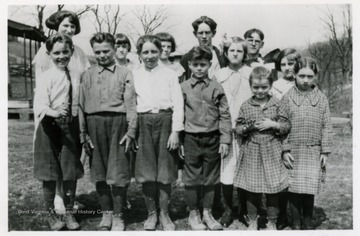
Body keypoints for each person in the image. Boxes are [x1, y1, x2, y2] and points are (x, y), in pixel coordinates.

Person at [32, 10, 90, 214]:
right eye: (65, 25)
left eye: (73, 26)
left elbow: (84, 79)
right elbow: (42, 86)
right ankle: (57, 198)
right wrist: (51, 111)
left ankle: (68, 199)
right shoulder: (45, 50)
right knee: (53, 159)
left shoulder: (79, 52)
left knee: (71, 159)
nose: (69, 29)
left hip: (73, 114)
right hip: (52, 112)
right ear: (57, 26)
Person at [78, 32, 137, 231]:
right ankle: (107, 214)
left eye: (106, 51)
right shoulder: (86, 75)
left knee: (118, 171)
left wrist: (131, 131)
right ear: (93, 52)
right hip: (94, 125)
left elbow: (130, 103)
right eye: (98, 52)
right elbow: (80, 105)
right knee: (100, 172)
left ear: (114, 49)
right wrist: (83, 133)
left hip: (118, 124)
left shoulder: (125, 73)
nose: (102, 55)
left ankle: (119, 216)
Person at [132, 35, 184, 231]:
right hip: (143, 122)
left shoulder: (170, 74)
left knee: (165, 171)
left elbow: (178, 103)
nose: (150, 56)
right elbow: (131, 104)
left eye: (154, 51)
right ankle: (151, 213)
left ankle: (164, 213)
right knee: (147, 172)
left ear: (160, 52)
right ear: (139, 54)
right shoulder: (134, 74)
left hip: (165, 122)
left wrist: (175, 132)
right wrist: (133, 131)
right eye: (145, 52)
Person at [180, 45, 232, 230]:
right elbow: (178, 115)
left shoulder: (217, 87)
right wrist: (180, 140)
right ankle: (193, 214)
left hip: (213, 139)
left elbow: (225, 115)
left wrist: (225, 139)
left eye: (203, 64)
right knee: (192, 178)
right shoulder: (183, 87)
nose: (199, 68)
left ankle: (207, 213)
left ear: (209, 64)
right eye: (195, 64)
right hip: (191, 138)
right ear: (190, 65)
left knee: (211, 178)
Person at [233, 66, 290, 230]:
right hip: (252, 150)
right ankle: (252, 220)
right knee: (252, 189)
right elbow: (238, 128)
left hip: (272, 149)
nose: (260, 91)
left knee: (272, 189)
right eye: (256, 87)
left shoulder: (277, 104)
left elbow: (286, 126)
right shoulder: (246, 105)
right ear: (250, 86)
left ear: (270, 86)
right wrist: (247, 128)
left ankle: (272, 221)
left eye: (264, 87)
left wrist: (273, 124)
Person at [281, 58, 333, 230]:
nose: (305, 80)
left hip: (313, 150)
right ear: (294, 75)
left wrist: (325, 152)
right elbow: (282, 125)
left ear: (315, 76)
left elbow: (327, 125)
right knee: (294, 188)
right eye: (301, 75)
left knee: (309, 187)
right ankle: (296, 221)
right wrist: (285, 149)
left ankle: (308, 220)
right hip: (294, 150)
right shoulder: (287, 98)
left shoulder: (321, 98)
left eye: (310, 76)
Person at [212, 36, 252, 227]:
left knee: (246, 170)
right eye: (232, 51)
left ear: (245, 54)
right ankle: (228, 208)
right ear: (226, 54)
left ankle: (245, 209)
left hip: (247, 131)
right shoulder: (219, 75)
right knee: (226, 170)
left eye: (239, 51)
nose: (235, 54)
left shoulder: (251, 74)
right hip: (226, 131)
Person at [269, 48, 301, 230]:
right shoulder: (275, 86)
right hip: (280, 135)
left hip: (299, 135)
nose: (287, 68)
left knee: (296, 177)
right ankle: (281, 213)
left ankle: (298, 214)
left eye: (291, 63)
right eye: (283, 64)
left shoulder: (303, 82)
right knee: (281, 178)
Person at [180, 16, 227, 81]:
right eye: (200, 33)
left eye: (207, 33)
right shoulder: (187, 58)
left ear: (213, 33)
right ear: (195, 34)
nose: (204, 36)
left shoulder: (222, 57)